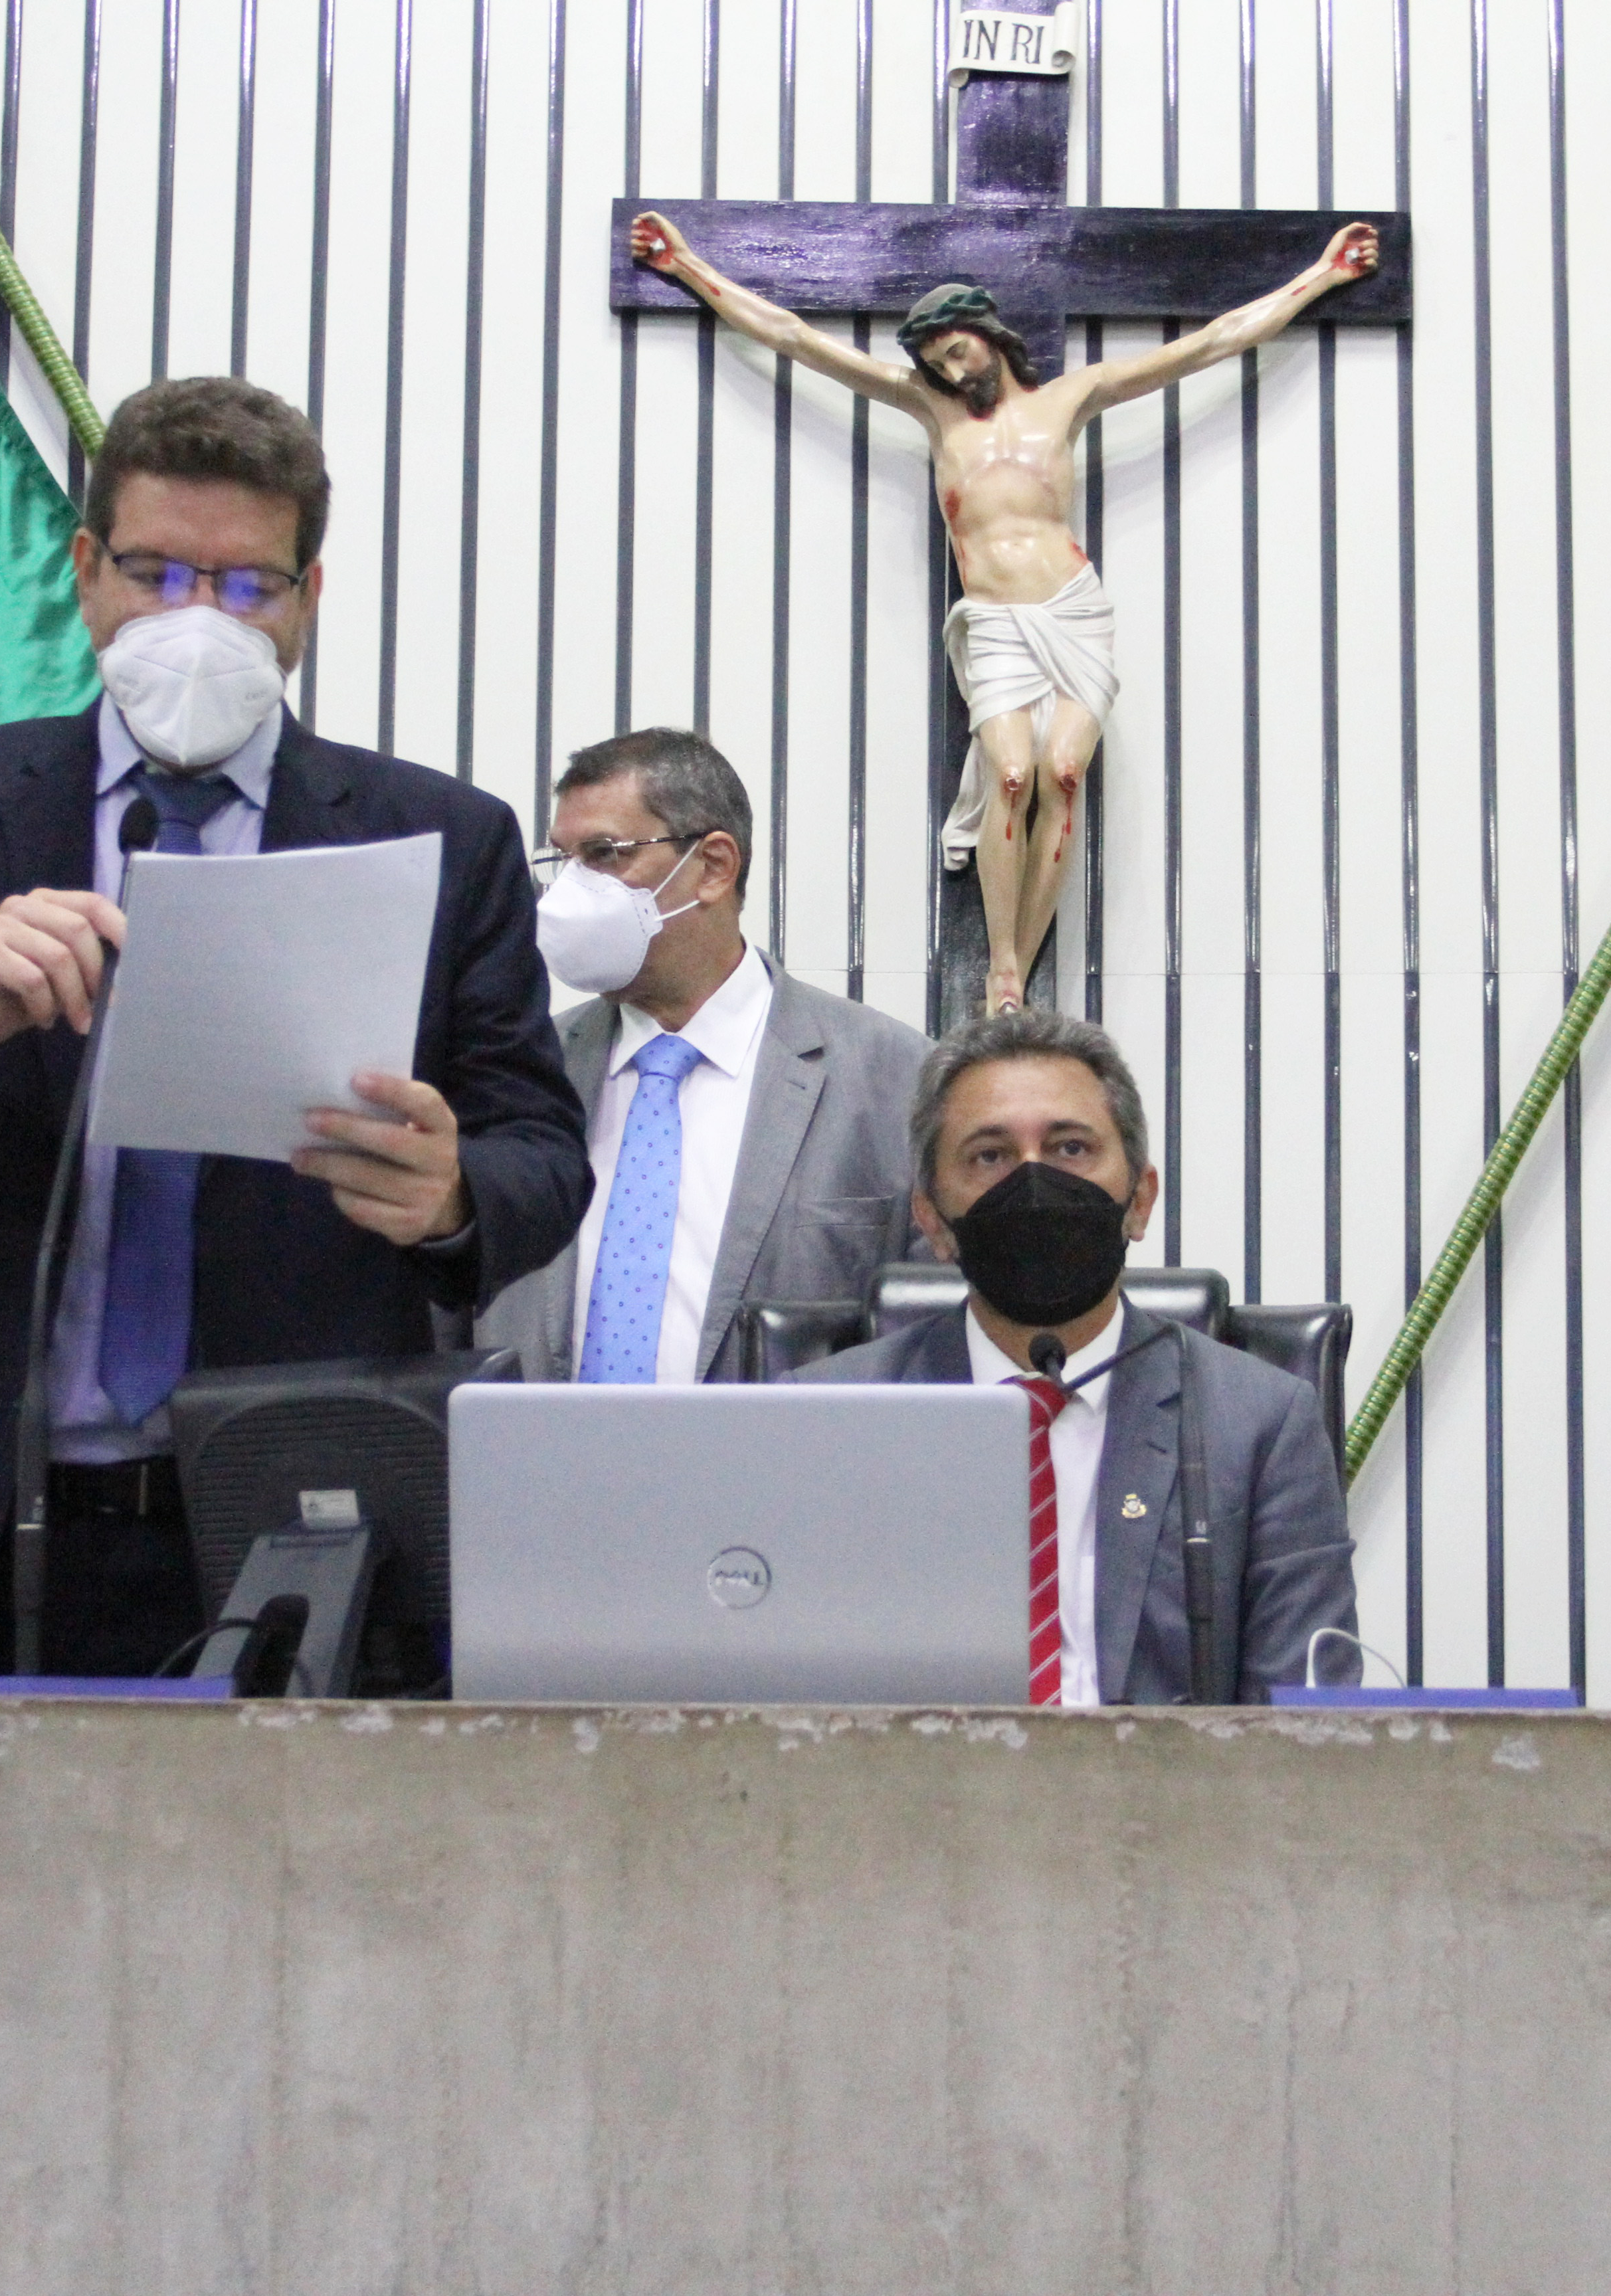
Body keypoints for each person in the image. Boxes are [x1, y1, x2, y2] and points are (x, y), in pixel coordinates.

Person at [0, 377, 588, 1691]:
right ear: (86, 574)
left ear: (307, 599)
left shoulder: (439, 836)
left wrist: (452, 1198)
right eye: (155, 575)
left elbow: (540, 1153)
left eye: (246, 587)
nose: (198, 620)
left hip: (297, 1530)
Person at [627, 211, 1381, 1012]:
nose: (952, 372)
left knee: (1064, 774)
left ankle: (1020, 964)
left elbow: (1211, 344)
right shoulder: (931, 409)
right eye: (936, 364)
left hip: (1071, 610)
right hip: (992, 621)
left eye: (958, 351)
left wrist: (1323, 275)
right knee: (1012, 774)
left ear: (989, 335)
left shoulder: (1071, 399)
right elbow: (795, 338)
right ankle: (1003, 964)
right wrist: (687, 267)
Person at [790, 1006, 1357, 1703]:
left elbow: (1308, 1724)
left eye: (1070, 1149)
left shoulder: (1262, 1425)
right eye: (990, 1156)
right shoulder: (824, 1422)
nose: (1033, 1185)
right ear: (932, 1220)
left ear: (1140, 1200)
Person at [479, 728, 930, 1384]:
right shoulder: (517, 1071)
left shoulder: (899, 1079)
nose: (569, 892)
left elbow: (936, 1340)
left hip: (787, 1449)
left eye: (604, 855)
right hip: (531, 1448)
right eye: (562, 861)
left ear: (715, 866)